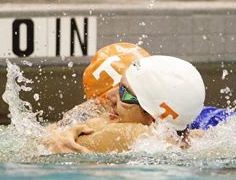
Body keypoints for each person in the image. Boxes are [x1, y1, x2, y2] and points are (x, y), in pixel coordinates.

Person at [42, 55, 206, 153]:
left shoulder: (134, 136)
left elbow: (32, 148)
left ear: (152, 116)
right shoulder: (195, 139)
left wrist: (56, 138)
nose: (109, 95)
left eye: (124, 92)